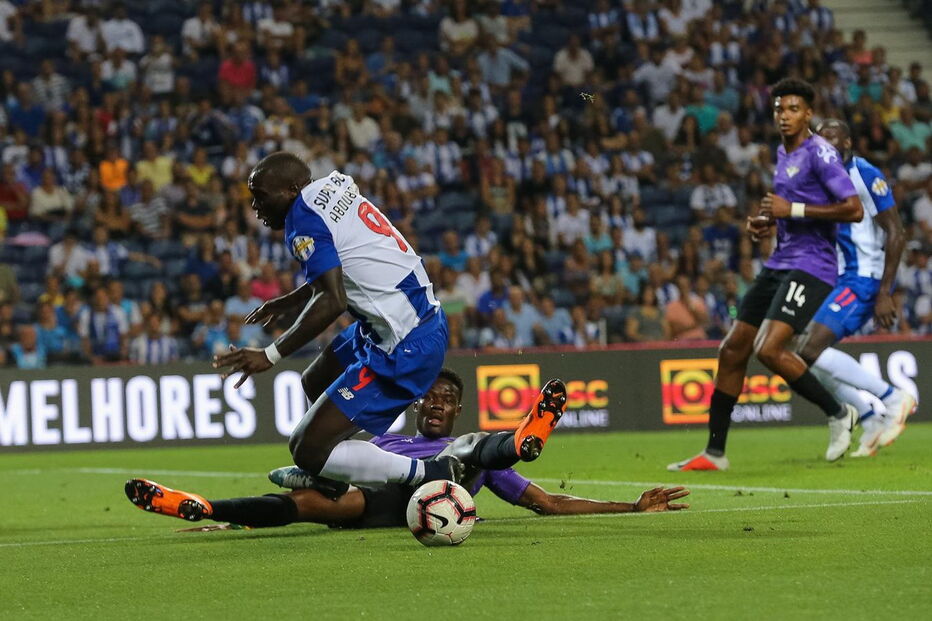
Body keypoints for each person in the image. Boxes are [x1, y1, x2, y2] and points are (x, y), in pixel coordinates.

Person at [212, 153, 542, 492]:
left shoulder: (302, 220)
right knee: (315, 379)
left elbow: (333, 300)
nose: (254, 205)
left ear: (292, 189)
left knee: (305, 448)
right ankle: (333, 477)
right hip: (405, 317)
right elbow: (348, 262)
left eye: (261, 195)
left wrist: (269, 355)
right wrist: (293, 300)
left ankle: (430, 473)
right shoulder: (331, 185)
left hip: (406, 342)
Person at [125, 370, 689, 528]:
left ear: (458, 409)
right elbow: (313, 479)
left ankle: (521, 440)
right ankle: (202, 505)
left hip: (449, 482)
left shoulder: (466, 444)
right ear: (418, 406)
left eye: (448, 398)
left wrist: (631, 507)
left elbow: (549, 503)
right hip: (383, 505)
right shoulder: (382, 441)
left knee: (467, 452)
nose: (438, 404)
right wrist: (228, 521)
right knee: (319, 505)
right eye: (431, 398)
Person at [669, 79, 863, 471]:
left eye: (793, 109)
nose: (784, 116)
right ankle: (714, 453)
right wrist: (765, 224)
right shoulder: (783, 153)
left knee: (769, 349)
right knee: (732, 349)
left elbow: (853, 208)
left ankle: (839, 411)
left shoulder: (821, 154)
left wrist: (790, 211)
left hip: (813, 266)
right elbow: (789, 210)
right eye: (779, 109)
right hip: (780, 261)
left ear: (808, 113)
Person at [796, 119, 916, 457]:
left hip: (863, 277)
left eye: (834, 138)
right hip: (837, 277)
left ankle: (893, 398)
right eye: (822, 140)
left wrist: (885, 291)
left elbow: (896, 232)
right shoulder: (821, 177)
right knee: (799, 353)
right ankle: (869, 417)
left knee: (808, 350)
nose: (828, 145)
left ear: (848, 141)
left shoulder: (865, 173)